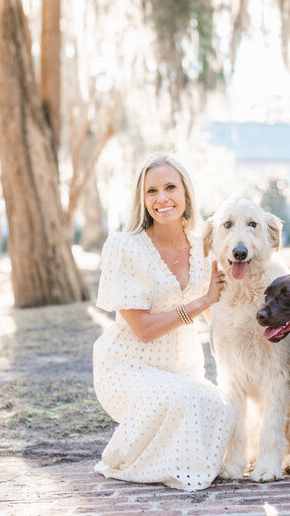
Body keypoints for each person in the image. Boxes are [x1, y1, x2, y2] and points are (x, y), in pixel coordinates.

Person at [92, 152, 233, 491]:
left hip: (183, 369)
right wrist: (202, 301)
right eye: (151, 191)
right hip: (126, 367)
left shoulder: (205, 244)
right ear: (142, 200)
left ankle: (178, 462)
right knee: (180, 399)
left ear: (186, 195)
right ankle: (132, 463)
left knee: (223, 407)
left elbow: (220, 316)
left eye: (170, 187)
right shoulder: (124, 247)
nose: (162, 198)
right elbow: (143, 329)